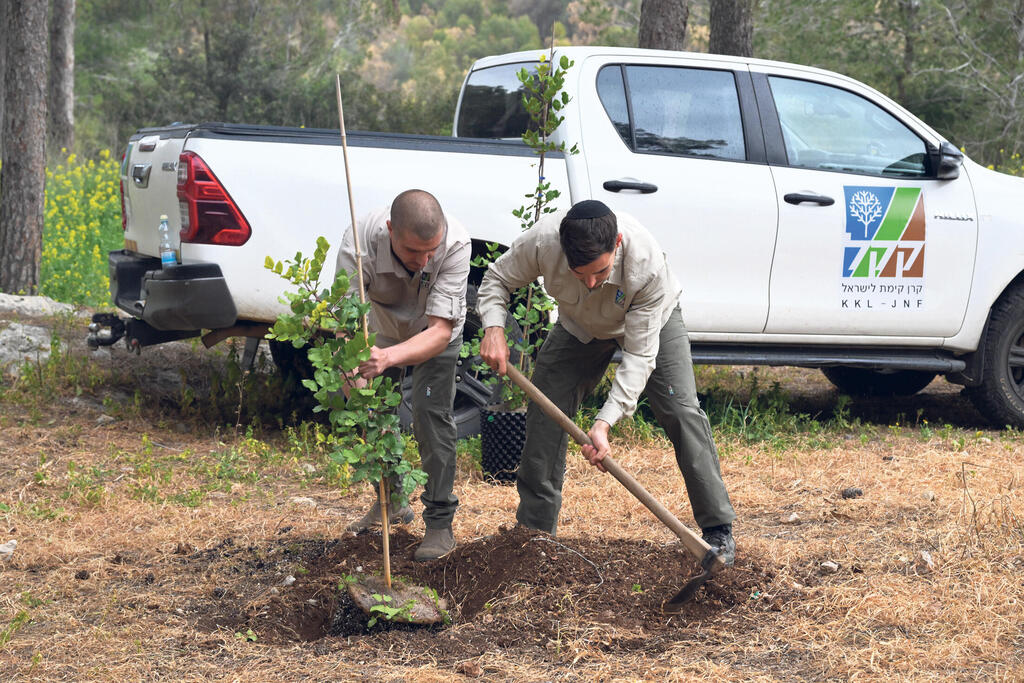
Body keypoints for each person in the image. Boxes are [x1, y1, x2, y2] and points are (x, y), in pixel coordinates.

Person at [477, 199, 736, 564]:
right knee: (544, 412)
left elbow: (640, 357)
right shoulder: (542, 242)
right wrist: (493, 328)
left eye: (599, 272)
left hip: (651, 323)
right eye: (579, 273)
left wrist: (604, 423)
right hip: (579, 327)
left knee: (681, 411)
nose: (591, 282)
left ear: (616, 244)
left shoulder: (646, 265)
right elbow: (497, 278)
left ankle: (718, 530)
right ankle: (535, 537)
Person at [337, 189, 470, 562]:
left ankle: (440, 524)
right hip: (378, 329)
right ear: (390, 229)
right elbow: (346, 327)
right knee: (372, 412)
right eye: (414, 251)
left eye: (432, 250)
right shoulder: (359, 242)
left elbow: (441, 331)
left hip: (433, 334)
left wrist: (389, 358)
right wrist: (356, 381)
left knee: (431, 419)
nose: (425, 260)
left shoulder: (457, 243)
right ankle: (391, 503)